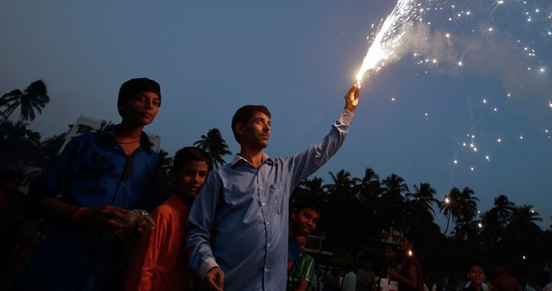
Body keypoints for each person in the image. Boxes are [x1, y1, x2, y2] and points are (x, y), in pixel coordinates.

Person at [187, 83, 361, 291]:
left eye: (269, 123)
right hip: (232, 284)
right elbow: (197, 230)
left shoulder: (284, 170)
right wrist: (208, 265)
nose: (267, 128)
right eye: (260, 122)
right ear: (240, 128)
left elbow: (323, 151)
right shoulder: (221, 178)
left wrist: (348, 110)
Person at [16, 78, 163, 290]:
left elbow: (144, 210)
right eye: (142, 99)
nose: (149, 106)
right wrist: (82, 214)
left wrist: (135, 229)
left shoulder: (151, 161)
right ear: (122, 105)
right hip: (60, 259)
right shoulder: (86, 144)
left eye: (156, 102)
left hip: (106, 268)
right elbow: (37, 198)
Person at [125, 146, 212, 291]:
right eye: (189, 173)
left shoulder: (199, 217)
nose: (196, 180)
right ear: (173, 175)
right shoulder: (163, 214)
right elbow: (144, 265)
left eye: (202, 174)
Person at [287, 196, 322, 291]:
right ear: (294, 214)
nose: (310, 223)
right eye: (307, 216)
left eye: (314, 221)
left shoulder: (295, 247)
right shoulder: (274, 237)